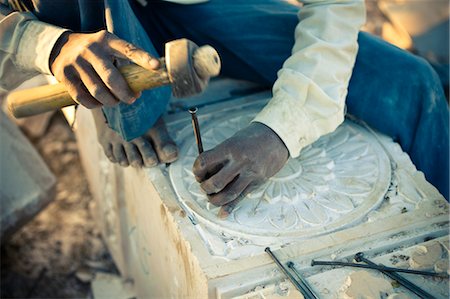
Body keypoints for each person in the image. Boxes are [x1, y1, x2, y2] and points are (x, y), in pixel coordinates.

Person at [1, 0, 448, 217]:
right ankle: (109, 89)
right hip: (86, 14)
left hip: (203, 8)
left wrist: (282, 129)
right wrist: (51, 46)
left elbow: (334, 11)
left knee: (412, 83)